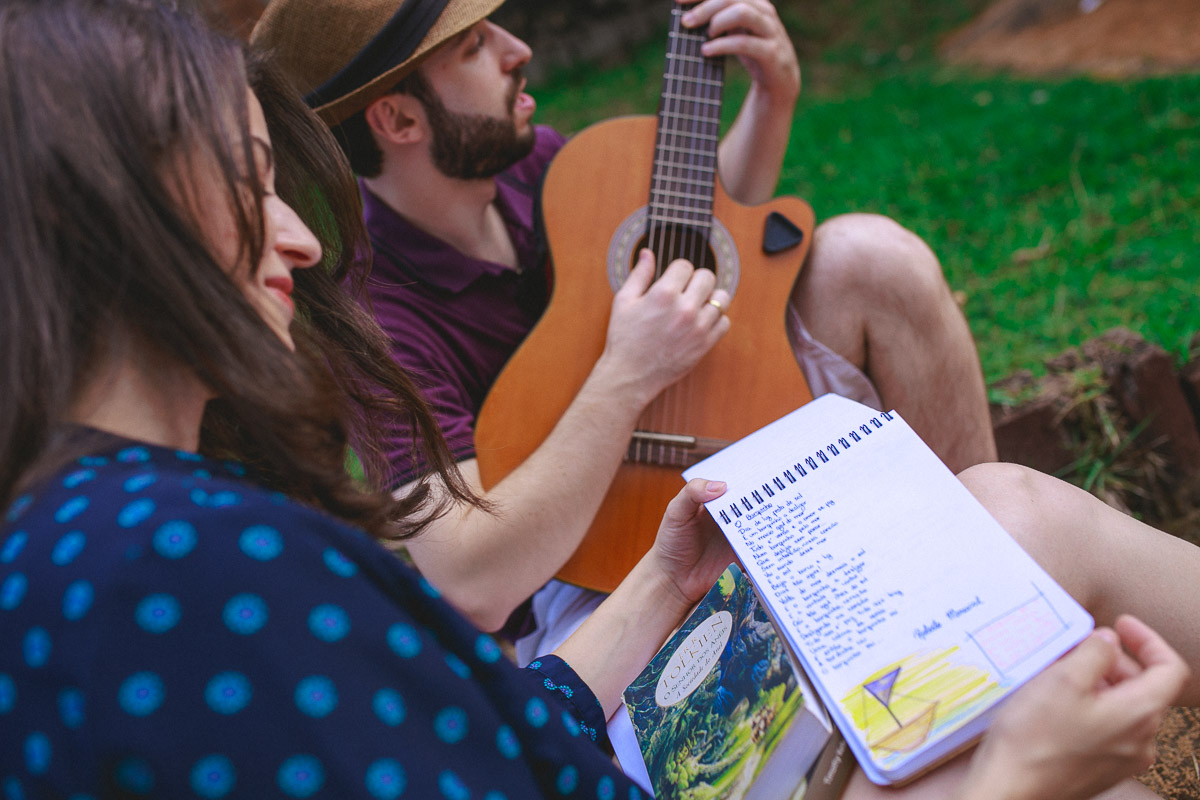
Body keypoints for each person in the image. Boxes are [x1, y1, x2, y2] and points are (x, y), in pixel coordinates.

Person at [0, 2, 1190, 799]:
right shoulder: (206, 555)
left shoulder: (143, 537)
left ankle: (986, 611)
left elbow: (708, 245)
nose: (300, 241)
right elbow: (465, 584)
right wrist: (1007, 781)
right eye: (255, 187)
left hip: (620, 627)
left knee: (982, 476)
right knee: (1015, 523)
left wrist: (664, 575)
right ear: (399, 118)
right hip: (586, 621)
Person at [249, 0, 1000, 650]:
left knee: (873, 258)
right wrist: (627, 373)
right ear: (400, 117)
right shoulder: (377, 327)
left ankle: (1001, 561)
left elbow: (690, 237)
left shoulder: (533, 165)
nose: (519, 51)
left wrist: (771, 101)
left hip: (711, 436)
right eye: (474, 46)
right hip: (591, 592)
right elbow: (473, 578)